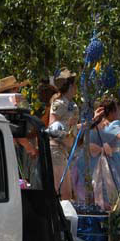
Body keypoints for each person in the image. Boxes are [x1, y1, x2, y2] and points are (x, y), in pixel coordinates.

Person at [48, 68, 79, 200]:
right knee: (63, 193)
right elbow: (52, 129)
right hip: (56, 150)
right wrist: (66, 132)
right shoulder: (59, 103)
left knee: (67, 193)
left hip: (64, 151)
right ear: (71, 86)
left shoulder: (70, 104)